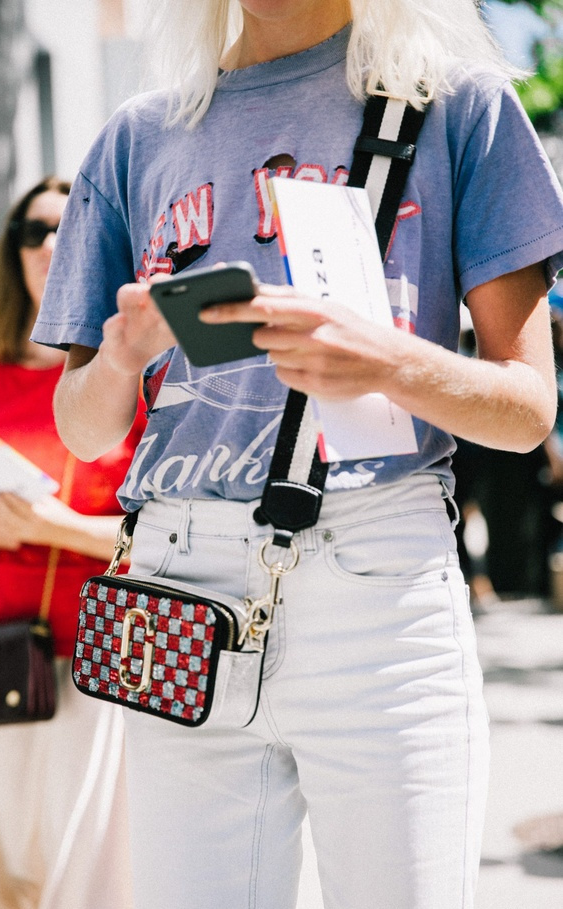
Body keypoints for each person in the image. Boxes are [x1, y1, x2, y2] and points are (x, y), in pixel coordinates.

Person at [31, 3, 563, 907]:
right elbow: (81, 430)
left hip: (376, 590)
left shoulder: (455, 107)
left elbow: (526, 409)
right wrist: (120, 356)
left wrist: (386, 361)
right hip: (179, 590)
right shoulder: (137, 136)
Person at [0, 176, 146, 909]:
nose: (49, 244)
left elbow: (162, 535)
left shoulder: (139, 370)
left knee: (85, 877)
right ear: (11, 251)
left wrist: (52, 527)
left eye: (67, 226)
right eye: (32, 230)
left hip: (98, 663)